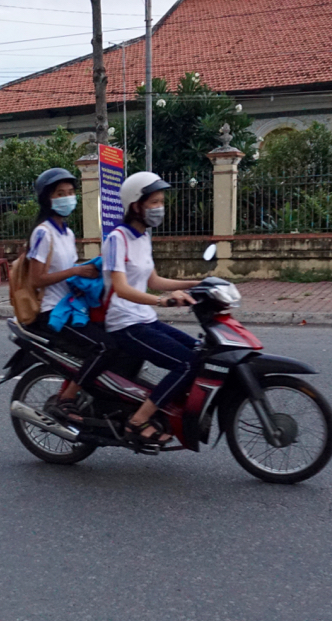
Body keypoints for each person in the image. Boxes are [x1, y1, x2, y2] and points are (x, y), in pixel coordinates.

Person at [102, 171, 205, 446]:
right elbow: (121, 288)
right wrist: (163, 301)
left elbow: (154, 281)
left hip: (145, 318)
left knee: (201, 353)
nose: (160, 208)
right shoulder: (117, 239)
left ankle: (171, 408)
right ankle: (138, 421)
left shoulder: (143, 237)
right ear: (136, 205)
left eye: (161, 202)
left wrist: (197, 283)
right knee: (185, 364)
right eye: (154, 202)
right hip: (125, 323)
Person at [24, 168, 111, 422]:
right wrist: (75, 270)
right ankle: (67, 399)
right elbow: (36, 279)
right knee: (104, 347)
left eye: (71, 192)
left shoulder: (68, 232)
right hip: (52, 312)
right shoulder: (43, 233)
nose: (67, 198)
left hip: (73, 307)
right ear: (47, 199)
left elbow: (65, 272)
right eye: (60, 193)